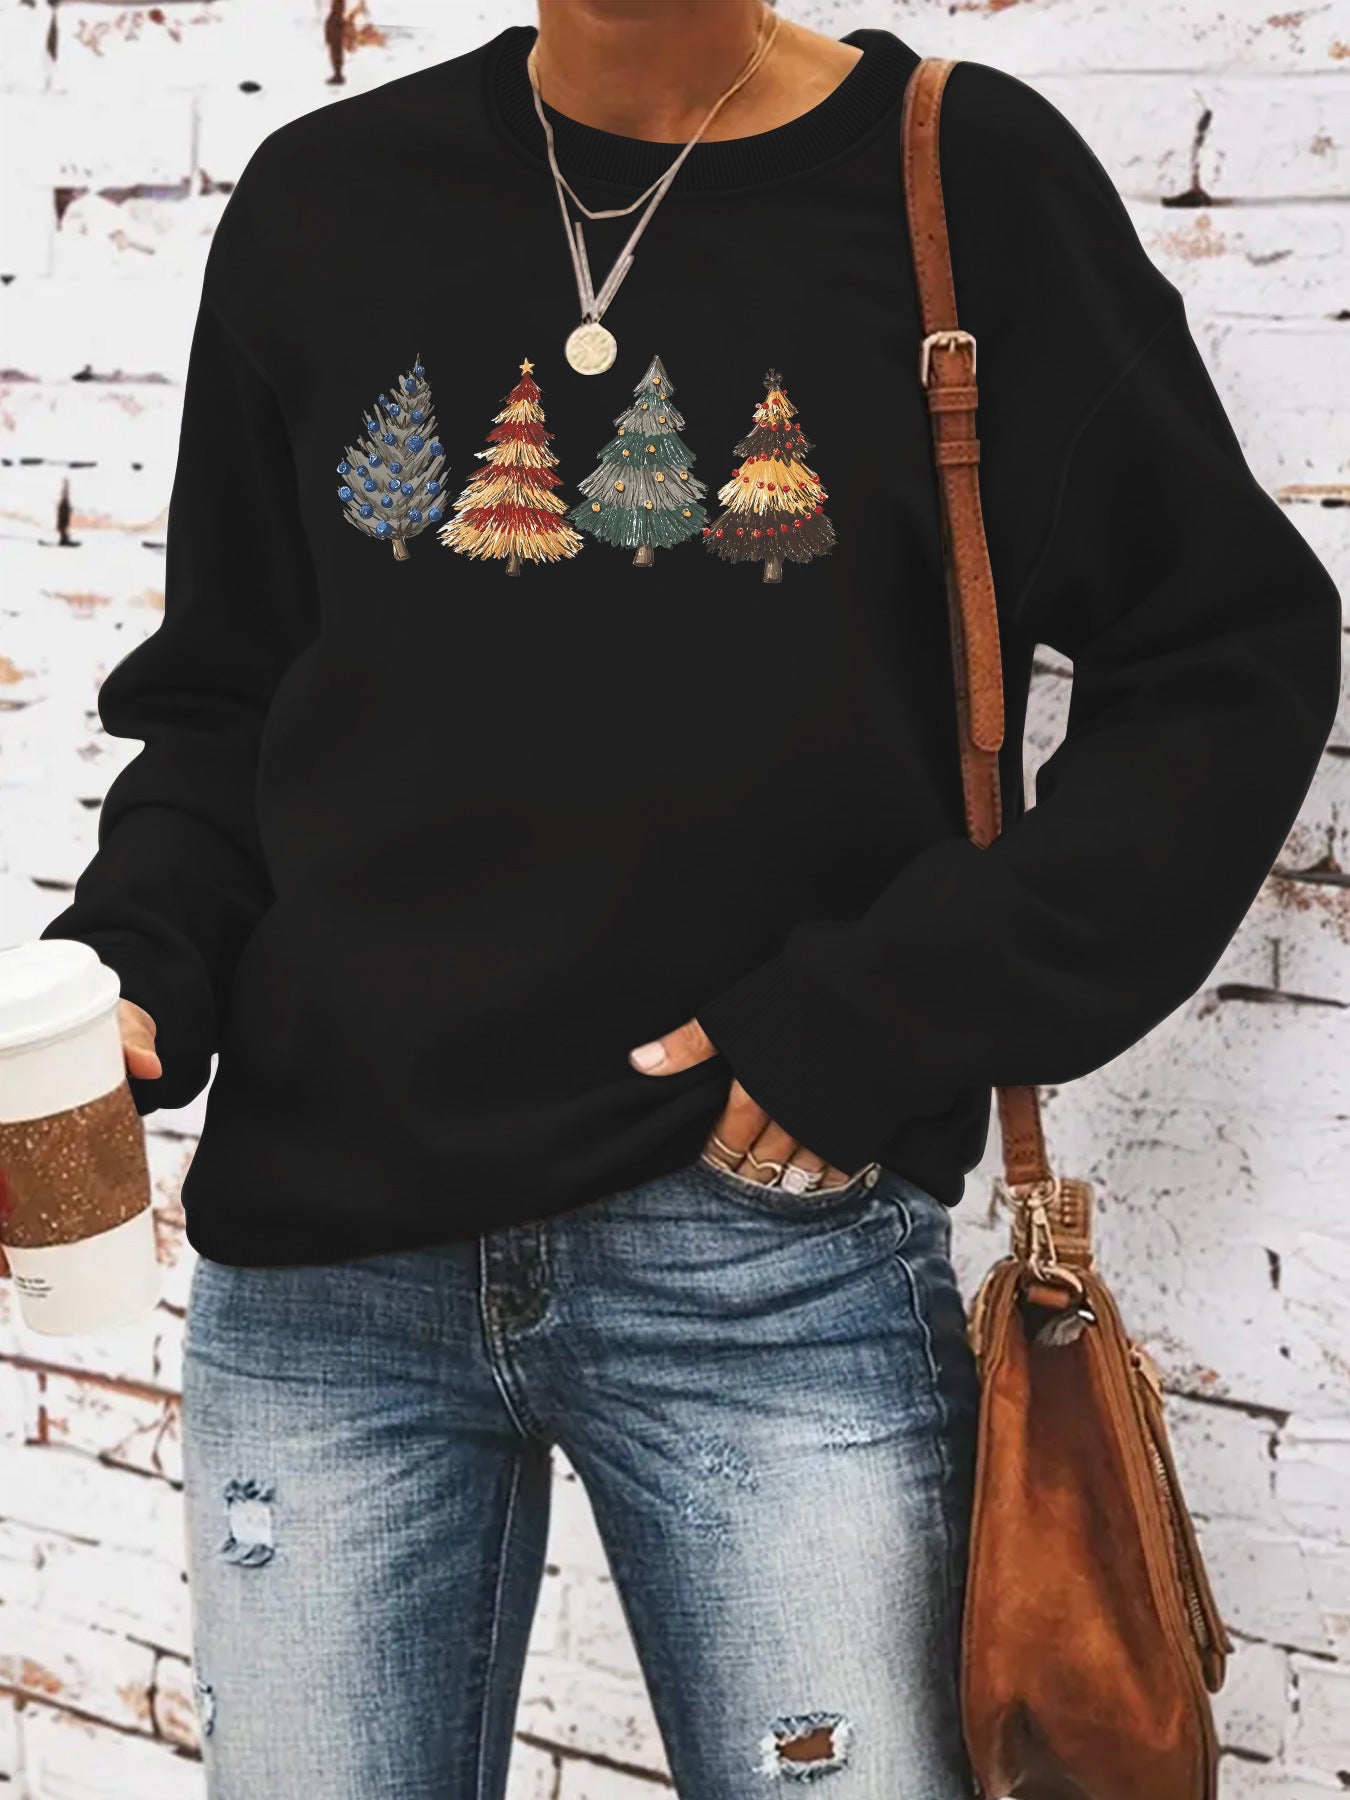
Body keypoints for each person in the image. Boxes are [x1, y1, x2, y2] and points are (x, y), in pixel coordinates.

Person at [37, 2, 1340, 1794]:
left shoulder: (960, 176)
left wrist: (878, 1016)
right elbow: (226, 704)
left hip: (766, 1267)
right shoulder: (323, 196)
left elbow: (1221, 659)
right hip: (329, 1276)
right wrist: (136, 965)